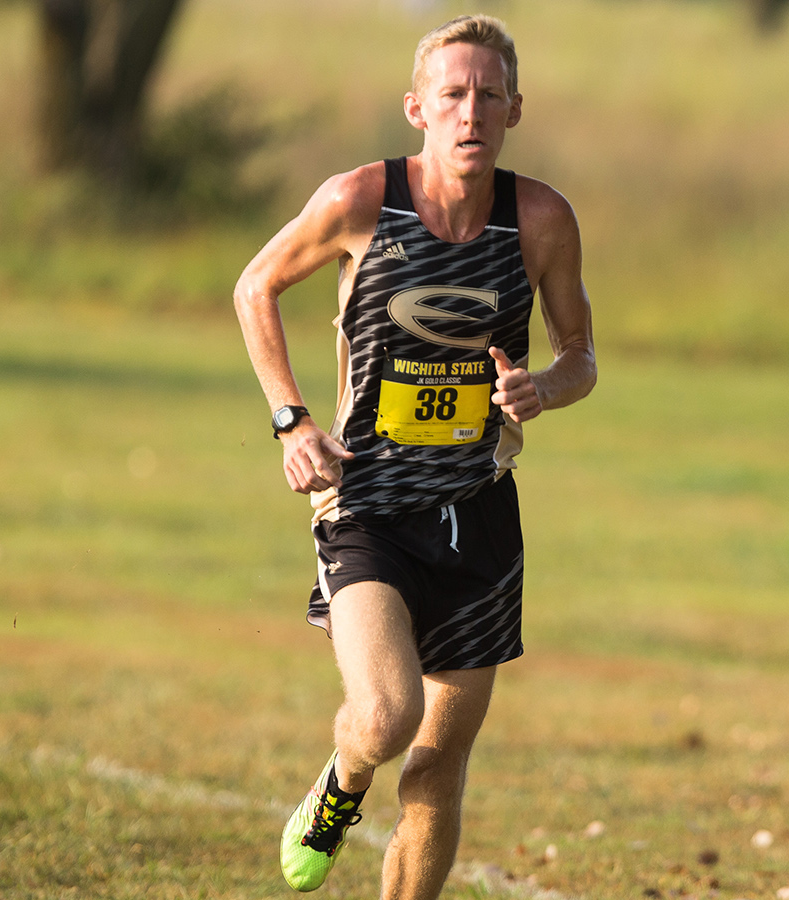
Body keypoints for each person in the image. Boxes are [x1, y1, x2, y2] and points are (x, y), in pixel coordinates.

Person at [231, 15, 596, 897]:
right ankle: (342, 781)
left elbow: (580, 354)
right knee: (388, 717)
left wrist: (544, 387)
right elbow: (256, 286)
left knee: (437, 769)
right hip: (367, 505)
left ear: (514, 108)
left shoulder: (541, 218)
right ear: (418, 109)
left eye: (488, 95)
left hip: (479, 514)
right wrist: (293, 421)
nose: (471, 112)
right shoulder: (360, 200)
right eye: (453, 96)